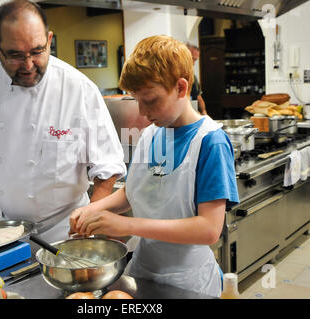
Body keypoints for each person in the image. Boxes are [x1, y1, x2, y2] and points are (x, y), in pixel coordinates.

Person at [70, 35, 239, 297]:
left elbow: (208, 230)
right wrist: (92, 209)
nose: (142, 111)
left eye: (150, 100)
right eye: (137, 100)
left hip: (187, 282)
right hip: (143, 274)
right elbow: (134, 191)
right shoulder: (153, 134)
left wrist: (127, 226)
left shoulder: (210, 142)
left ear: (181, 88)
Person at [0, 0, 126, 243]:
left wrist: (90, 220)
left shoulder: (78, 88)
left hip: (62, 227)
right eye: (15, 55)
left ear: (49, 39)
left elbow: (107, 167)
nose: (28, 65)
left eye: (37, 51)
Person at [187, 43, 207, 115]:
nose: (193, 63)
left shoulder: (193, 77)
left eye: (195, 60)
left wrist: (204, 113)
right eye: (192, 58)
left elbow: (199, 97)